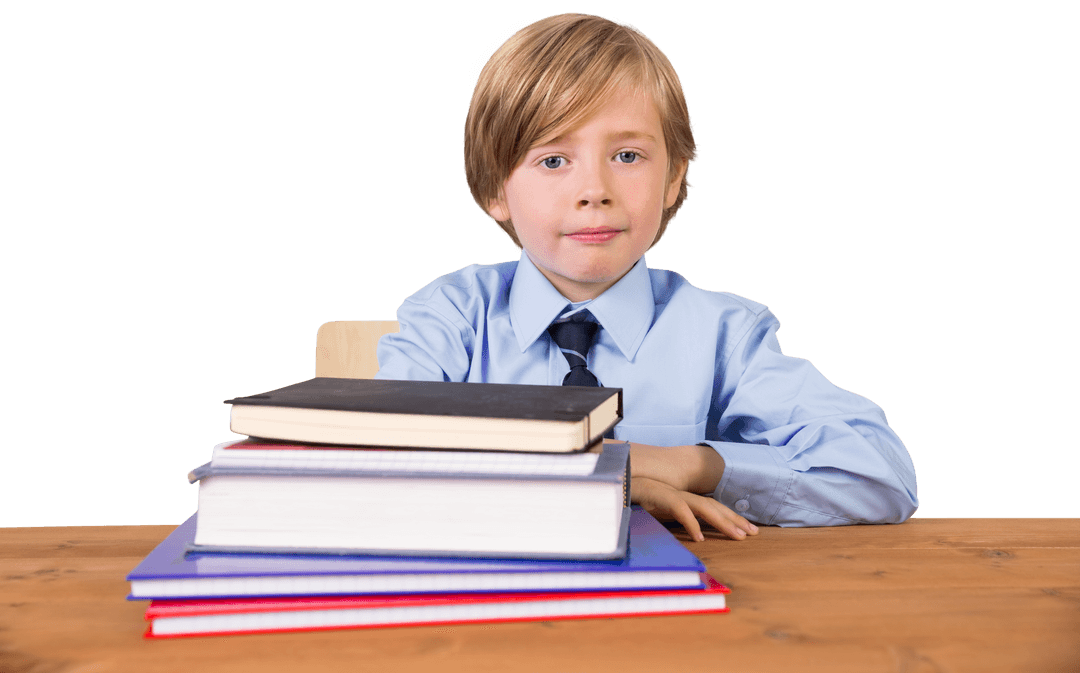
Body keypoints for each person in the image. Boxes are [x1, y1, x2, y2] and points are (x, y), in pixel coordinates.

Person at [375, 12, 918, 542]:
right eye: (554, 161)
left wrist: (685, 465)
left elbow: (879, 475)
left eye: (628, 155)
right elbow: (380, 466)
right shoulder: (450, 317)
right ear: (495, 188)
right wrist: (611, 480)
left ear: (674, 179)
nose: (595, 188)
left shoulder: (724, 335)